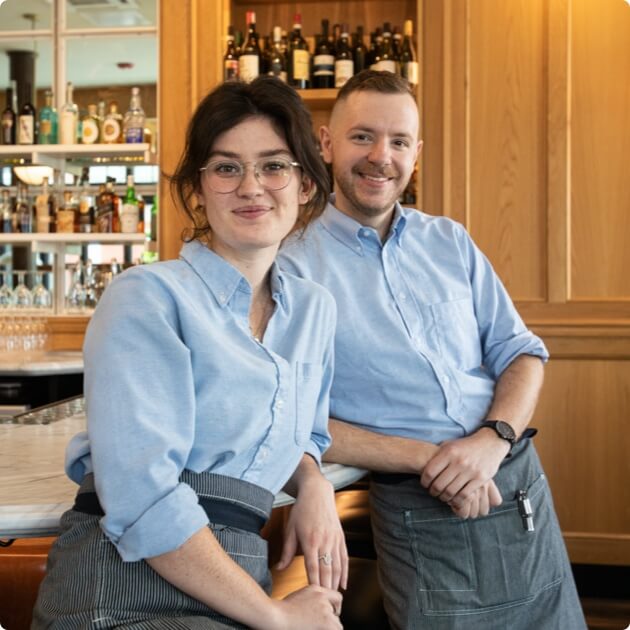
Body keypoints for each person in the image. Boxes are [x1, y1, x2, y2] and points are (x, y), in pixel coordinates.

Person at [32, 77, 347, 630]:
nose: (252, 186)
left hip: (239, 575)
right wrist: (275, 619)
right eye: (227, 167)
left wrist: (313, 483)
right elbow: (143, 495)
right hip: (121, 578)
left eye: (274, 165)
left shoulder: (314, 310)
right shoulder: (147, 296)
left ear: (304, 185)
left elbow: (305, 434)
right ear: (198, 188)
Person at [279, 70, 587, 629]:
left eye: (398, 142)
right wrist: (436, 459)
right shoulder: (288, 266)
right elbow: (292, 415)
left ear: (416, 154)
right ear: (326, 142)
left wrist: (491, 440)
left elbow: (522, 352)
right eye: (362, 136)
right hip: (419, 503)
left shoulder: (450, 240)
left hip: (518, 481)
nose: (381, 157)